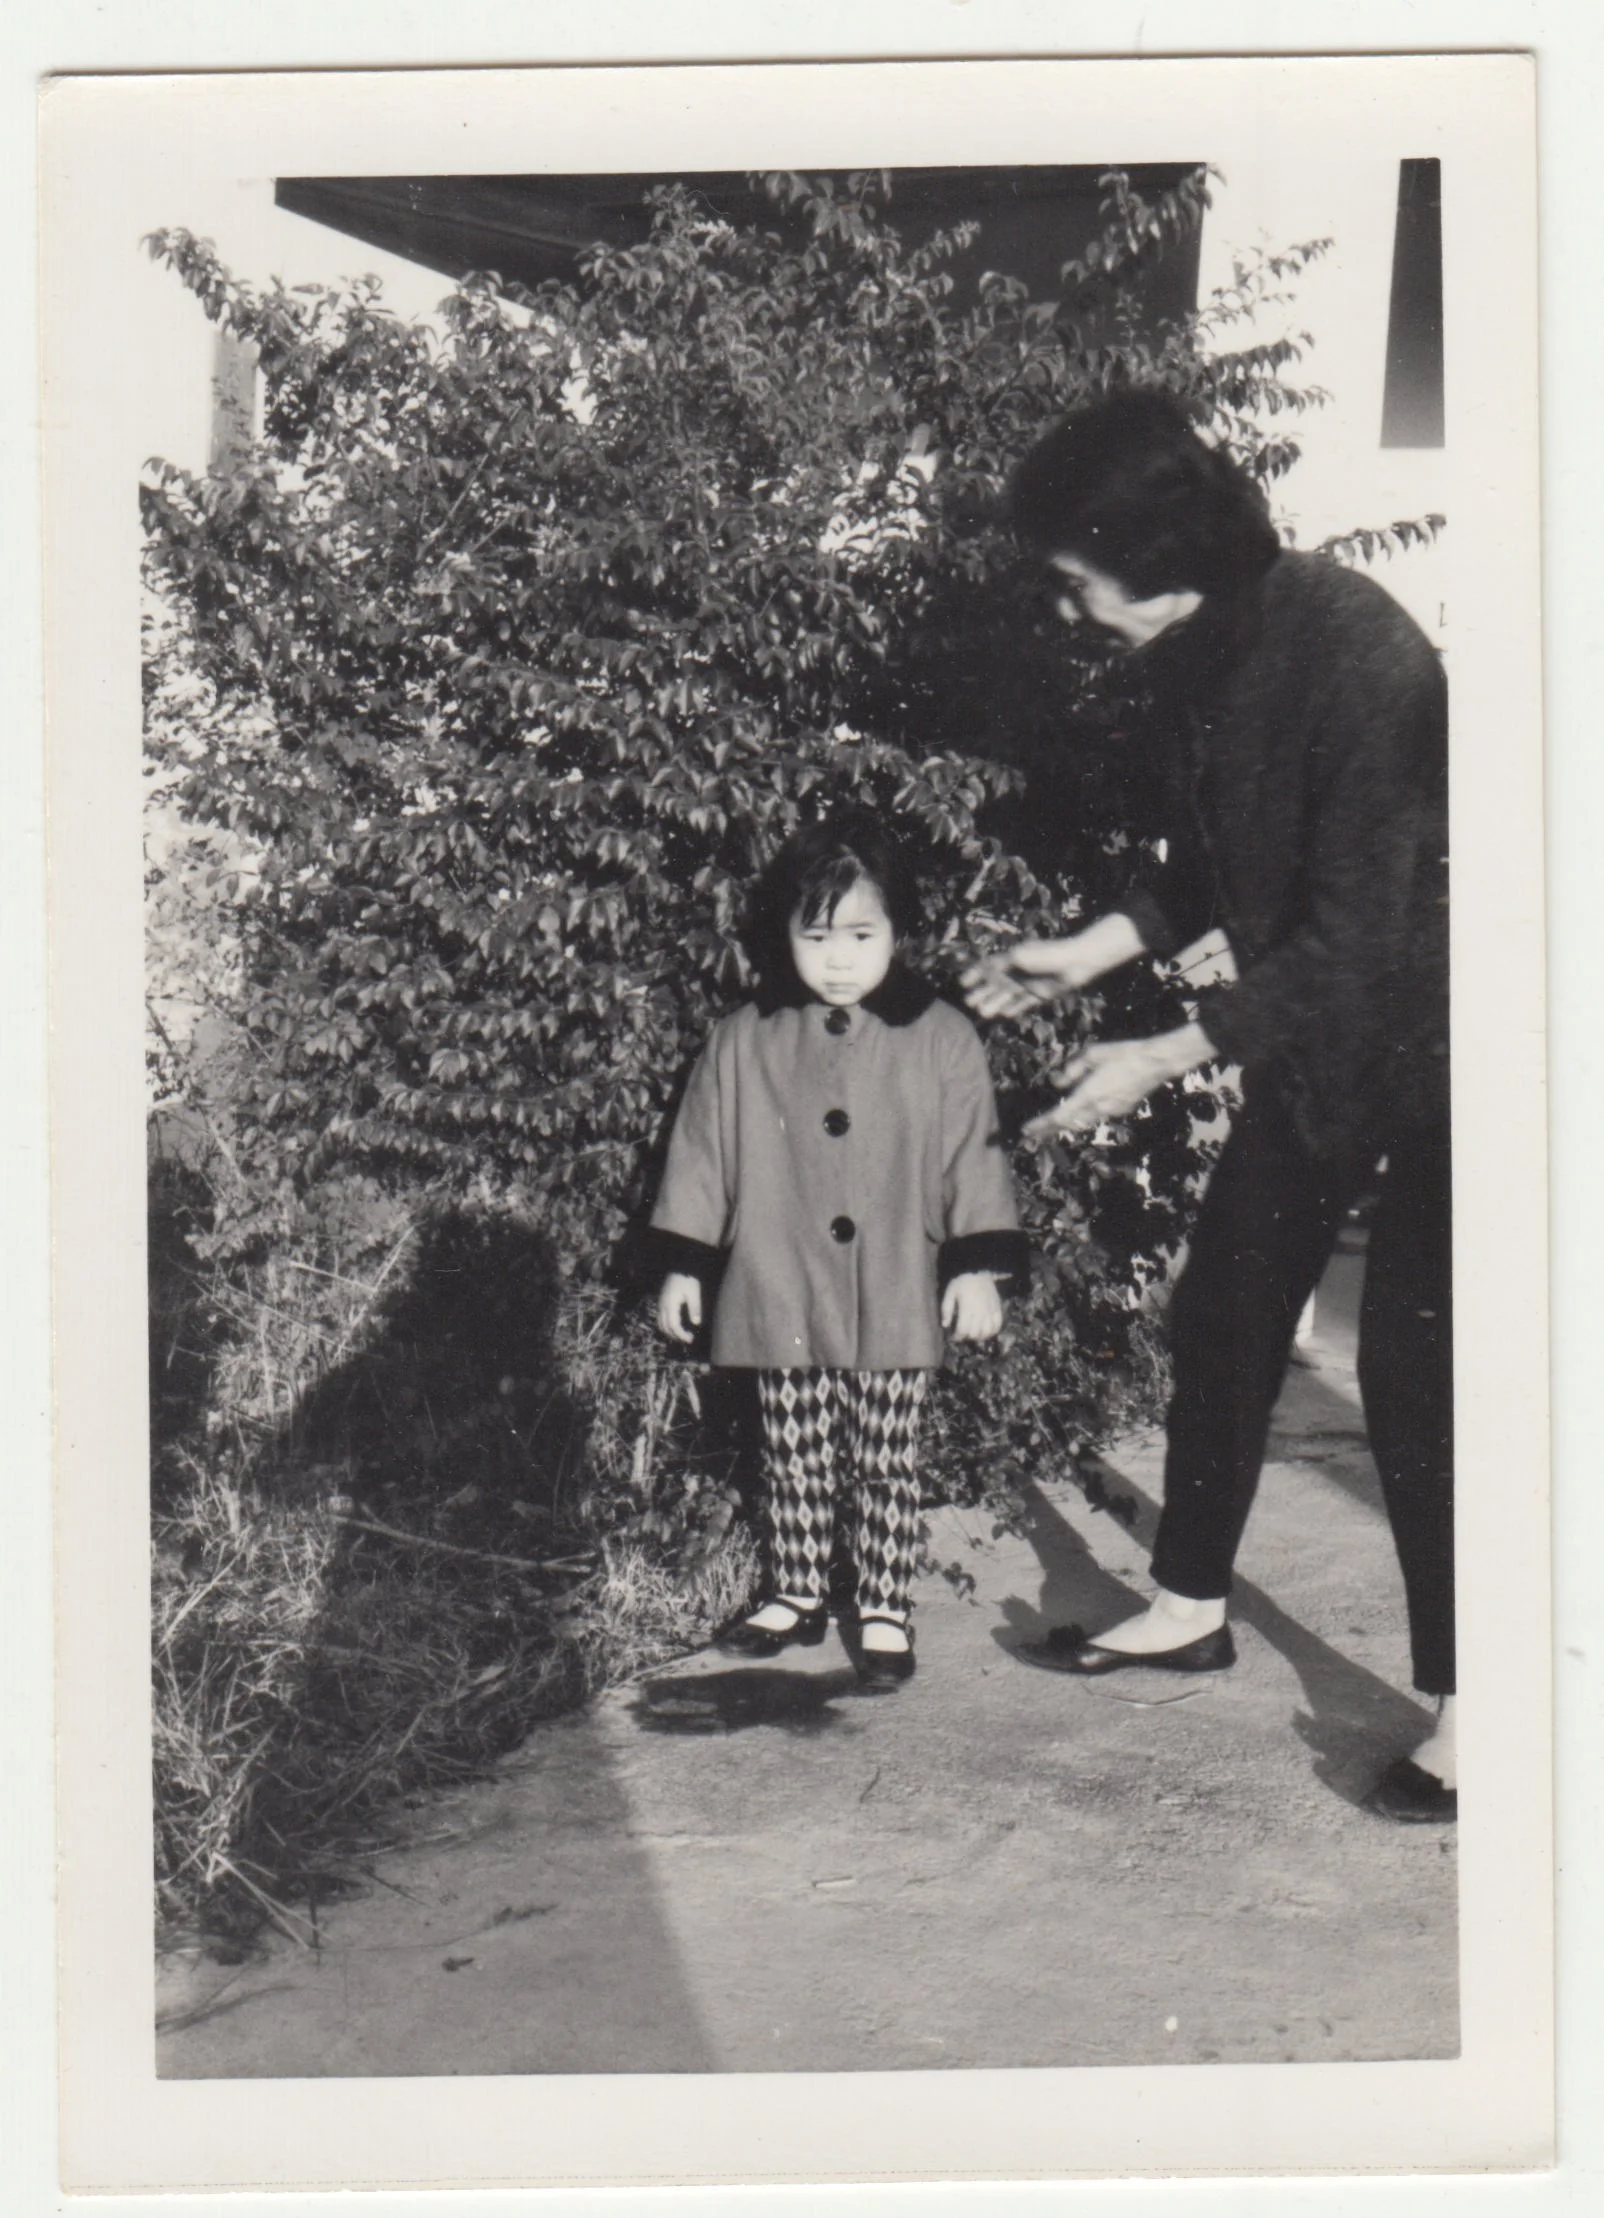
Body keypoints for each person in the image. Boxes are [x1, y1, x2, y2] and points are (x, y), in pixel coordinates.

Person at [963, 391, 1455, 1822]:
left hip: (1446, 1048)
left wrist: (1162, 1052)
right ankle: (1190, 1601)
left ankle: (1471, 1706)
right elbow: (1212, 861)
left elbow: (1359, 934)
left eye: (1073, 582)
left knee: (1411, 1373)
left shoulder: (1366, 658)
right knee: (1229, 1308)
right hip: (1319, 1041)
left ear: (1155, 556)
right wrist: (1091, 947)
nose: (1067, 612)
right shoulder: (1203, 648)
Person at [649, 814, 1028, 1685]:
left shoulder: (940, 1036)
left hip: (896, 1276)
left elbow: (973, 1152)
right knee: (792, 1446)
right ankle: (797, 1588)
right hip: (779, 1278)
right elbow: (703, 1152)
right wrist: (685, 1261)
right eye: (817, 937)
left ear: (896, 932)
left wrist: (976, 1265)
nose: (841, 958)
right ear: (786, 935)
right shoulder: (744, 1036)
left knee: (887, 1454)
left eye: (862, 935)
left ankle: (886, 1602)